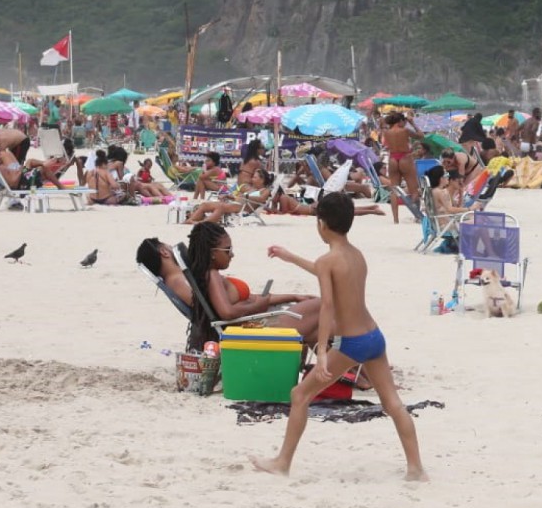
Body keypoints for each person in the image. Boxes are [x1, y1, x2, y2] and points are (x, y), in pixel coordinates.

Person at [251, 193, 426, 480]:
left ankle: (282, 463)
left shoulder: (327, 260)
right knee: (393, 404)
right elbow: (330, 273)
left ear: (321, 224)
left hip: (351, 344)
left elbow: (328, 306)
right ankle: (416, 469)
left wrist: (320, 352)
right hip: (374, 336)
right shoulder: (355, 255)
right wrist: (291, 257)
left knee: (299, 395)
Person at [172, 224, 321, 351]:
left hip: (255, 323)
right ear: (212, 253)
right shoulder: (212, 276)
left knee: (318, 329)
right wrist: (257, 306)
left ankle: (337, 376)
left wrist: (293, 296)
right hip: (255, 329)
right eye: (227, 250)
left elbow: (253, 298)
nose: (232, 254)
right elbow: (227, 312)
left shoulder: (212, 276)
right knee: (322, 306)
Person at [383, 113, 423, 208]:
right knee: (413, 190)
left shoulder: (386, 132)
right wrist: (412, 123)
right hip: (405, 158)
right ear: (400, 121)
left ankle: (396, 219)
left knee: (394, 190)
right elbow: (421, 135)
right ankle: (416, 216)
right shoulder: (405, 130)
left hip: (392, 158)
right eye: (404, 122)